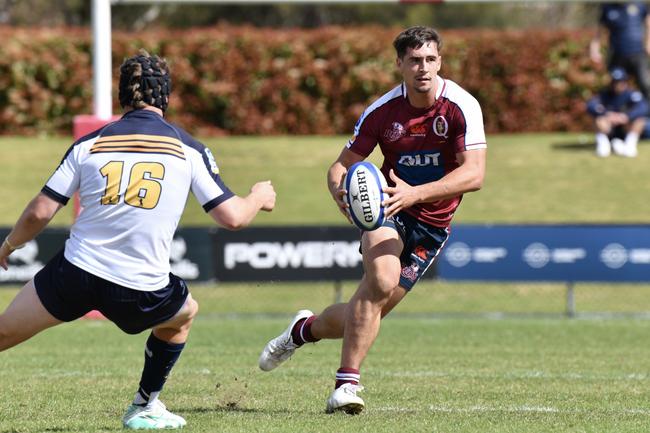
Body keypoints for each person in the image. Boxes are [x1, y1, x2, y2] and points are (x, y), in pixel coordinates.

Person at [0, 50, 276, 430]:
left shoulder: (90, 144)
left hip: (75, 274)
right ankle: (144, 405)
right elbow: (232, 218)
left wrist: (10, 245)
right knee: (184, 315)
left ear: (121, 97)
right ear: (166, 96)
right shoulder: (187, 148)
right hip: (140, 287)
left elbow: (39, 213)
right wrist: (259, 196)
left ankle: (146, 406)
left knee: (3, 332)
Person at [258, 26, 486, 414]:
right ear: (399, 64)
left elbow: (474, 175)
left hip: (432, 225)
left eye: (430, 59)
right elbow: (340, 167)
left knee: (365, 314)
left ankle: (302, 329)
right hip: (387, 211)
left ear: (440, 62)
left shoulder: (461, 106)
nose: (423, 68)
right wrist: (340, 193)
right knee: (380, 281)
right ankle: (346, 385)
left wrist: (415, 192)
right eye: (414, 60)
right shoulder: (382, 112)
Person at [590, 1, 650, 99]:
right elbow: (598, 32)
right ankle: (617, 111)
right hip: (617, 55)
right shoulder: (607, 7)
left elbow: (648, 23)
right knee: (616, 86)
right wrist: (595, 49)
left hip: (638, 53)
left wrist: (648, 42)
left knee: (645, 84)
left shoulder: (639, 5)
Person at [587, 67, 648, 158]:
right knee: (598, 120)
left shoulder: (631, 94)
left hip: (625, 127)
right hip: (610, 128)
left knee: (640, 120)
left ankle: (630, 146)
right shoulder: (604, 94)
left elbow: (643, 107)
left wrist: (626, 116)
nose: (617, 85)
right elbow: (591, 105)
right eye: (615, 82)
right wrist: (607, 114)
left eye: (620, 82)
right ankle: (603, 146)